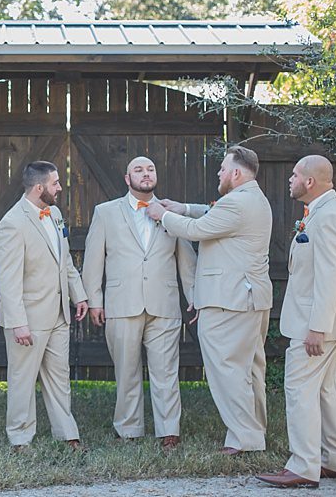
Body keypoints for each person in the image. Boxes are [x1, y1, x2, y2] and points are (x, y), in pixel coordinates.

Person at [146, 145, 273, 455]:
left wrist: (163, 215)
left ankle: (245, 439)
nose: (218, 173)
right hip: (248, 298)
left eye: (222, 168)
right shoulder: (251, 199)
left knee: (227, 369)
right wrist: (183, 207)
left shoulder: (238, 204)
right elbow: (210, 213)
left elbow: (198, 229)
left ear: (236, 173)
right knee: (250, 369)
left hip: (228, 300)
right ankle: (254, 430)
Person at [81, 156, 196, 451]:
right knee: (126, 370)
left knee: (166, 371)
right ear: (127, 178)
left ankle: (169, 430)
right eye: (139, 170)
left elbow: (186, 260)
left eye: (151, 169)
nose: (146, 174)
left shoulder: (172, 211)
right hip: (121, 303)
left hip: (165, 303)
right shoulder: (106, 212)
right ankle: (129, 429)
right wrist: (94, 300)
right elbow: (93, 260)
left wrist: (195, 298)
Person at [257, 155, 336, 488]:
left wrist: (317, 327)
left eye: (295, 175)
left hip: (314, 324)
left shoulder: (328, 218)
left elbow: (331, 277)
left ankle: (303, 465)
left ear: (310, 181)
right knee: (326, 391)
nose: (290, 180)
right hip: (319, 320)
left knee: (299, 389)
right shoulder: (322, 213)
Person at [0, 160, 89, 451]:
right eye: (55, 183)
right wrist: (17, 322)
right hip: (29, 317)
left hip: (59, 313)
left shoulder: (55, 214)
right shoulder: (12, 222)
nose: (60, 188)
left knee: (60, 377)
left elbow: (65, 261)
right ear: (39, 188)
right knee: (23, 379)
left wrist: (79, 295)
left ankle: (67, 433)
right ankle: (20, 438)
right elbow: (7, 279)